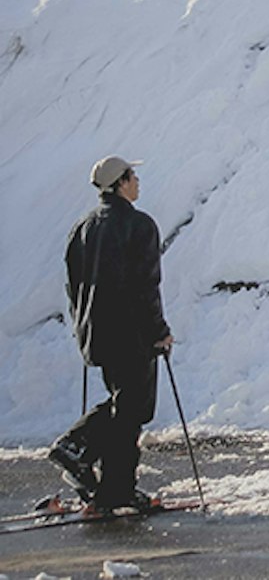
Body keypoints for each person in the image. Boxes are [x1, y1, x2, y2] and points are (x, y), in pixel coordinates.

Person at [48, 156, 172, 513]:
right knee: (132, 409)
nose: (138, 181)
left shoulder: (82, 228)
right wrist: (159, 331)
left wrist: (82, 327)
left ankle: (104, 478)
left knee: (125, 407)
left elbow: (73, 288)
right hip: (132, 332)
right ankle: (84, 455)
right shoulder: (139, 225)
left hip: (97, 333)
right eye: (133, 176)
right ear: (120, 183)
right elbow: (146, 286)